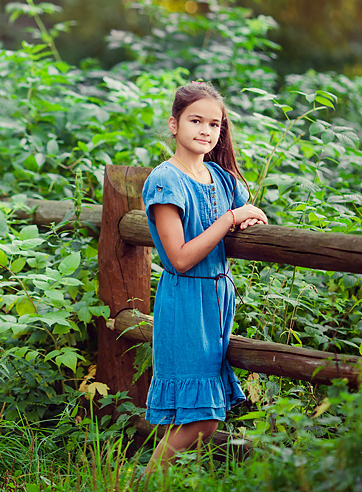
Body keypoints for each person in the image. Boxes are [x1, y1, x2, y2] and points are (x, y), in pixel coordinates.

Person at [141, 81, 267, 471]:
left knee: (199, 413)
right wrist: (230, 218)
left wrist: (248, 219)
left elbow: (253, 216)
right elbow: (179, 258)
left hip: (218, 299)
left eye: (215, 124)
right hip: (184, 302)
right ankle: (140, 483)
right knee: (202, 419)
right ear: (174, 124)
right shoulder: (165, 181)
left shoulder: (223, 179)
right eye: (196, 120)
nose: (206, 131)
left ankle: (149, 481)